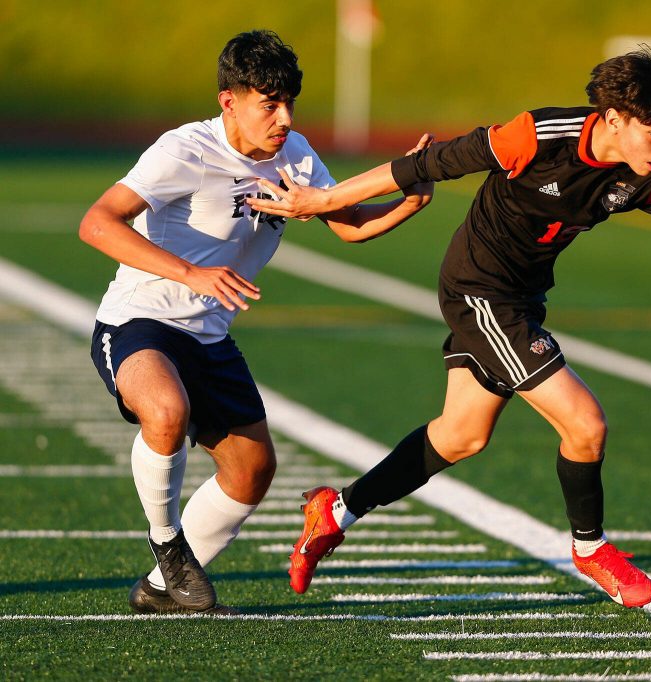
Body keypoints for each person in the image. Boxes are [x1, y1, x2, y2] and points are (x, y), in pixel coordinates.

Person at [249, 47, 651, 609]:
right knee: (585, 424)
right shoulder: (537, 135)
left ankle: (334, 511)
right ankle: (590, 548)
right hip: (477, 289)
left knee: (463, 434)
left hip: (523, 298)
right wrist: (323, 200)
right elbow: (425, 165)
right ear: (613, 119)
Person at [80, 29, 432, 614]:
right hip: (140, 322)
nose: (285, 117)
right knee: (166, 411)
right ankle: (169, 548)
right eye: (269, 104)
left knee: (252, 472)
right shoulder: (184, 149)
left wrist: (410, 201)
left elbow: (348, 224)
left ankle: (160, 588)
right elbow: (97, 223)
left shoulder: (296, 155)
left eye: (290, 102)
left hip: (209, 337)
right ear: (229, 101)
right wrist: (191, 273)